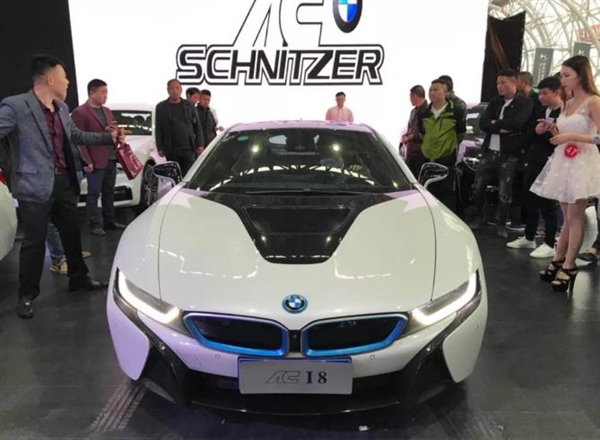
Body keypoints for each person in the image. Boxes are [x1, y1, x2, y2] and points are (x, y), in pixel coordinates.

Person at [0, 54, 123, 319]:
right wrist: (10, 167)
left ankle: (79, 279)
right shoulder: (16, 105)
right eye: (64, 77)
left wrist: (109, 138)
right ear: (50, 79)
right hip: (34, 186)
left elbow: (75, 135)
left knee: (72, 234)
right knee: (34, 243)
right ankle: (27, 295)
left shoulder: (63, 108)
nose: (68, 82)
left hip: (65, 181)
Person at [530, 55, 600, 292]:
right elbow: (563, 133)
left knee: (575, 216)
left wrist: (572, 136)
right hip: (565, 160)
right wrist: (552, 129)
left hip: (582, 162)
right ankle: (559, 259)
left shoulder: (593, 101)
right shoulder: (568, 102)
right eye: (561, 75)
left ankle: (569, 265)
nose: (562, 79)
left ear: (581, 76)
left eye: (567, 75)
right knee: (567, 215)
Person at [469, 69, 534, 239]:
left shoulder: (524, 102)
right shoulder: (495, 101)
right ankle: (480, 215)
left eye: (503, 82)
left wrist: (495, 124)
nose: (499, 86)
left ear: (514, 82)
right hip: (489, 151)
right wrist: (500, 126)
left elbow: (516, 124)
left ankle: (501, 222)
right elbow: (483, 123)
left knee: (505, 192)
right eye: (498, 83)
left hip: (509, 153)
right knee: (478, 187)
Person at [506, 76, 562, 258]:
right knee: (529, 199)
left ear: (557, 92)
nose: (541, 97)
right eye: (540, 93)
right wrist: (536, 131)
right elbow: (527, 134)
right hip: (533, 160)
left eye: (545, 93)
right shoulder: (540, 110)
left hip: (552, 161)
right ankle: (529, 236)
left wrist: (551, 131)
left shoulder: (564, 112)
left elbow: (564, 139)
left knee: (547, 203)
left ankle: (549, 243)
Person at [71, 79, 125, 236]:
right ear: (92, 93)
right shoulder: (80, 112)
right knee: (94, 192)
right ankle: (94, 223)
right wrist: (86, 160)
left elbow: (112, 132)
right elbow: (79, 139)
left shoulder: (107, 111)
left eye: (106, 92)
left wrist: (116, 133)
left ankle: (109, 221)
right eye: (102, 92)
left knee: (109, 191)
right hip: (94, 159)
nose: (105, 96)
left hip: (111, 157)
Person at [417, 79, 466, 213]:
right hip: (427, 159)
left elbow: (460, 134)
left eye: (436, 90)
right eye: (430, 90)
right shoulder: (423, 113)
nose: (432, 93)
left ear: (446, 92)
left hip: (446, 159)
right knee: (428, 194)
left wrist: (448, 147)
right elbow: (422, 134)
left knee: (447, 195)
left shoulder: (456, 111)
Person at [155, 79, 204, 175]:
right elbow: (159, 128)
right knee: (174, 175)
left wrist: (200, 144)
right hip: (171, 148)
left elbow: (197, 126)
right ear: (168, 90)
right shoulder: (161, 107)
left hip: (189, 148)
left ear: (181, 90)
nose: (175, 91)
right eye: (172, 88)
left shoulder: (189, 105)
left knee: (189, 174)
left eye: (177, 88)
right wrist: (160, 147)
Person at [401, 85, 428, 177]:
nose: (410, 99)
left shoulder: (428, 112)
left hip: (422, 154)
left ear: (415, 96)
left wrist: (409, 137)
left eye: (410, 96)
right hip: (411, 153)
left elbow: (425, 133)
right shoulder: (413, 112)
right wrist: (406, 135)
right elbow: (410, 128)